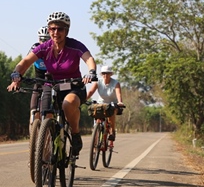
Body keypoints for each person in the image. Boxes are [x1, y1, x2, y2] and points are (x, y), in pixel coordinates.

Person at [7, 11, 97, 156]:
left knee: (68, 104)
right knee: (45, 114)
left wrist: (91, 72)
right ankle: (47, 151)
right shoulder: (45, 47)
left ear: (66, 31)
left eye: (60, 29)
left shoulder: (75, 45)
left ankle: (75, 134)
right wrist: (16, 75)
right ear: (49, 30)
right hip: (51, 85)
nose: (56, 32)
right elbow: (25, 62)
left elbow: (89, 59)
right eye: (52, 29)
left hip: (73, 86)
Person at [87, 65, 124, 141]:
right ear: (101, 74)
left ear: (111, 74)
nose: (105, 75)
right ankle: (95, 139)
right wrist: (83, 99)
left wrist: (120, 102)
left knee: (111, 114)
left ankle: (112, 132)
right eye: (103, 73)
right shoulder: (98, 82)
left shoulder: (115, 83)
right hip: (101, 103)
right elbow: (90, 92)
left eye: (107, 73)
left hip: (112, 104)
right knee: (96, 114)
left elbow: (118, 94)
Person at [29, 26, 50, 123]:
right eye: (42, 39)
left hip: (51, 80)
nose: (44, 42)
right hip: (39, 78)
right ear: (38, 39)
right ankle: (33, 128)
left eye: (47, 39)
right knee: (33, 109)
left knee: (46, 109)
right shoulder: (35, 48)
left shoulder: (55, 50)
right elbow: (26, 62)